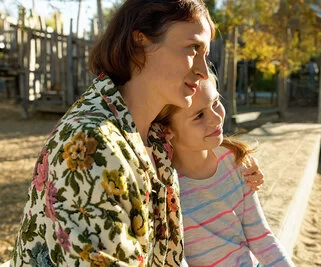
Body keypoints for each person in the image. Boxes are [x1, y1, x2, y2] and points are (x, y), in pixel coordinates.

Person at [9, 1, 265, 266]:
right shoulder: (91, 144)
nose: (203, 70)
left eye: (205, 53)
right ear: (140, 42)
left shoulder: (152, 134)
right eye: (193, 48)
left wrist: (238, 158)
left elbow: (197, 156)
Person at [154, 73, 295, 266]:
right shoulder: (165, 184)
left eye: (215, 103)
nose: (215, 118)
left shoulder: (236, 163)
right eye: (199, 115)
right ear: (167, 130)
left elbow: (262, 238)